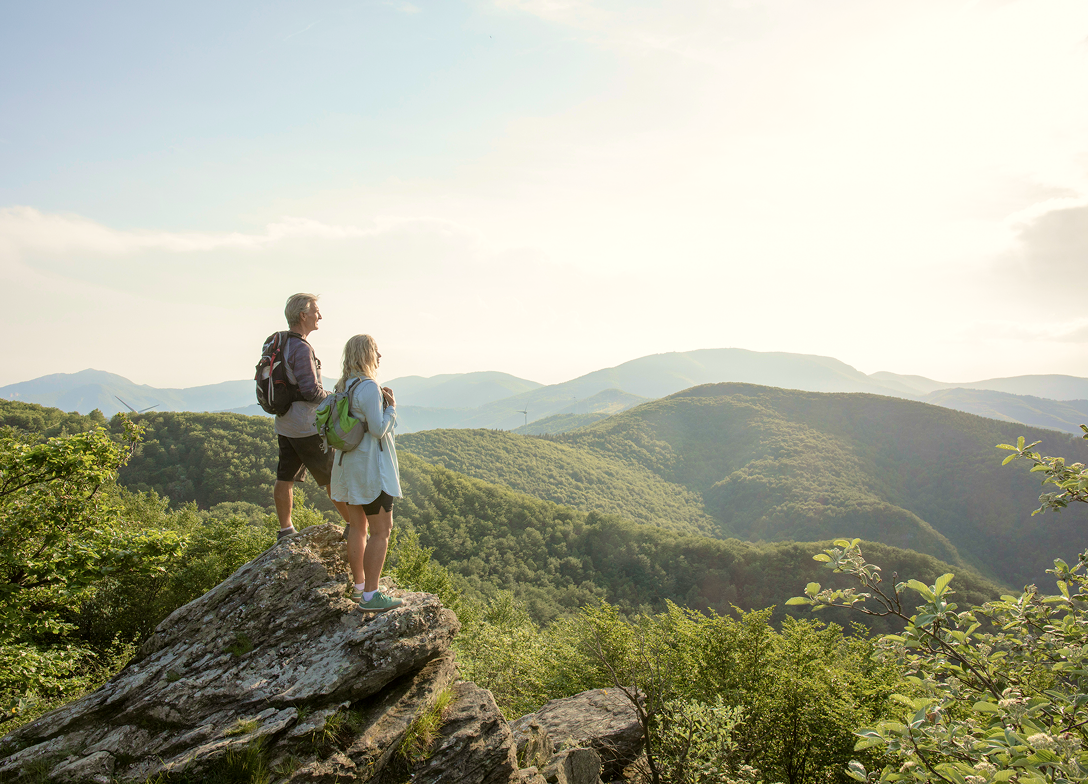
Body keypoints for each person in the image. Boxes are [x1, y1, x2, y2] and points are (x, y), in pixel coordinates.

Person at [331, 334, 403, 612]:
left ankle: (359, 586)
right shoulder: (369, 387)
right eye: (376, 351)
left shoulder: (344, 386)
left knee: (358, 527)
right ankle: (372, 596)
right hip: (372, 470)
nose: (380, 356)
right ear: (366, 354)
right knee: (382, 531)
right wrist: (392, 409)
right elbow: (377, 428)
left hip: (348, 467)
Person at [273, 293, 349, 539]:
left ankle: (286, 529)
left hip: (284, 422)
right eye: (316, 311)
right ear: (303, 315)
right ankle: (355, 526)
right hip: (307, 426)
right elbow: (310, 391)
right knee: (332, 478)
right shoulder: (301, 347)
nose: (320, 316)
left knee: (285, 476)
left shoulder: (279, 342)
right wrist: (337, 397)